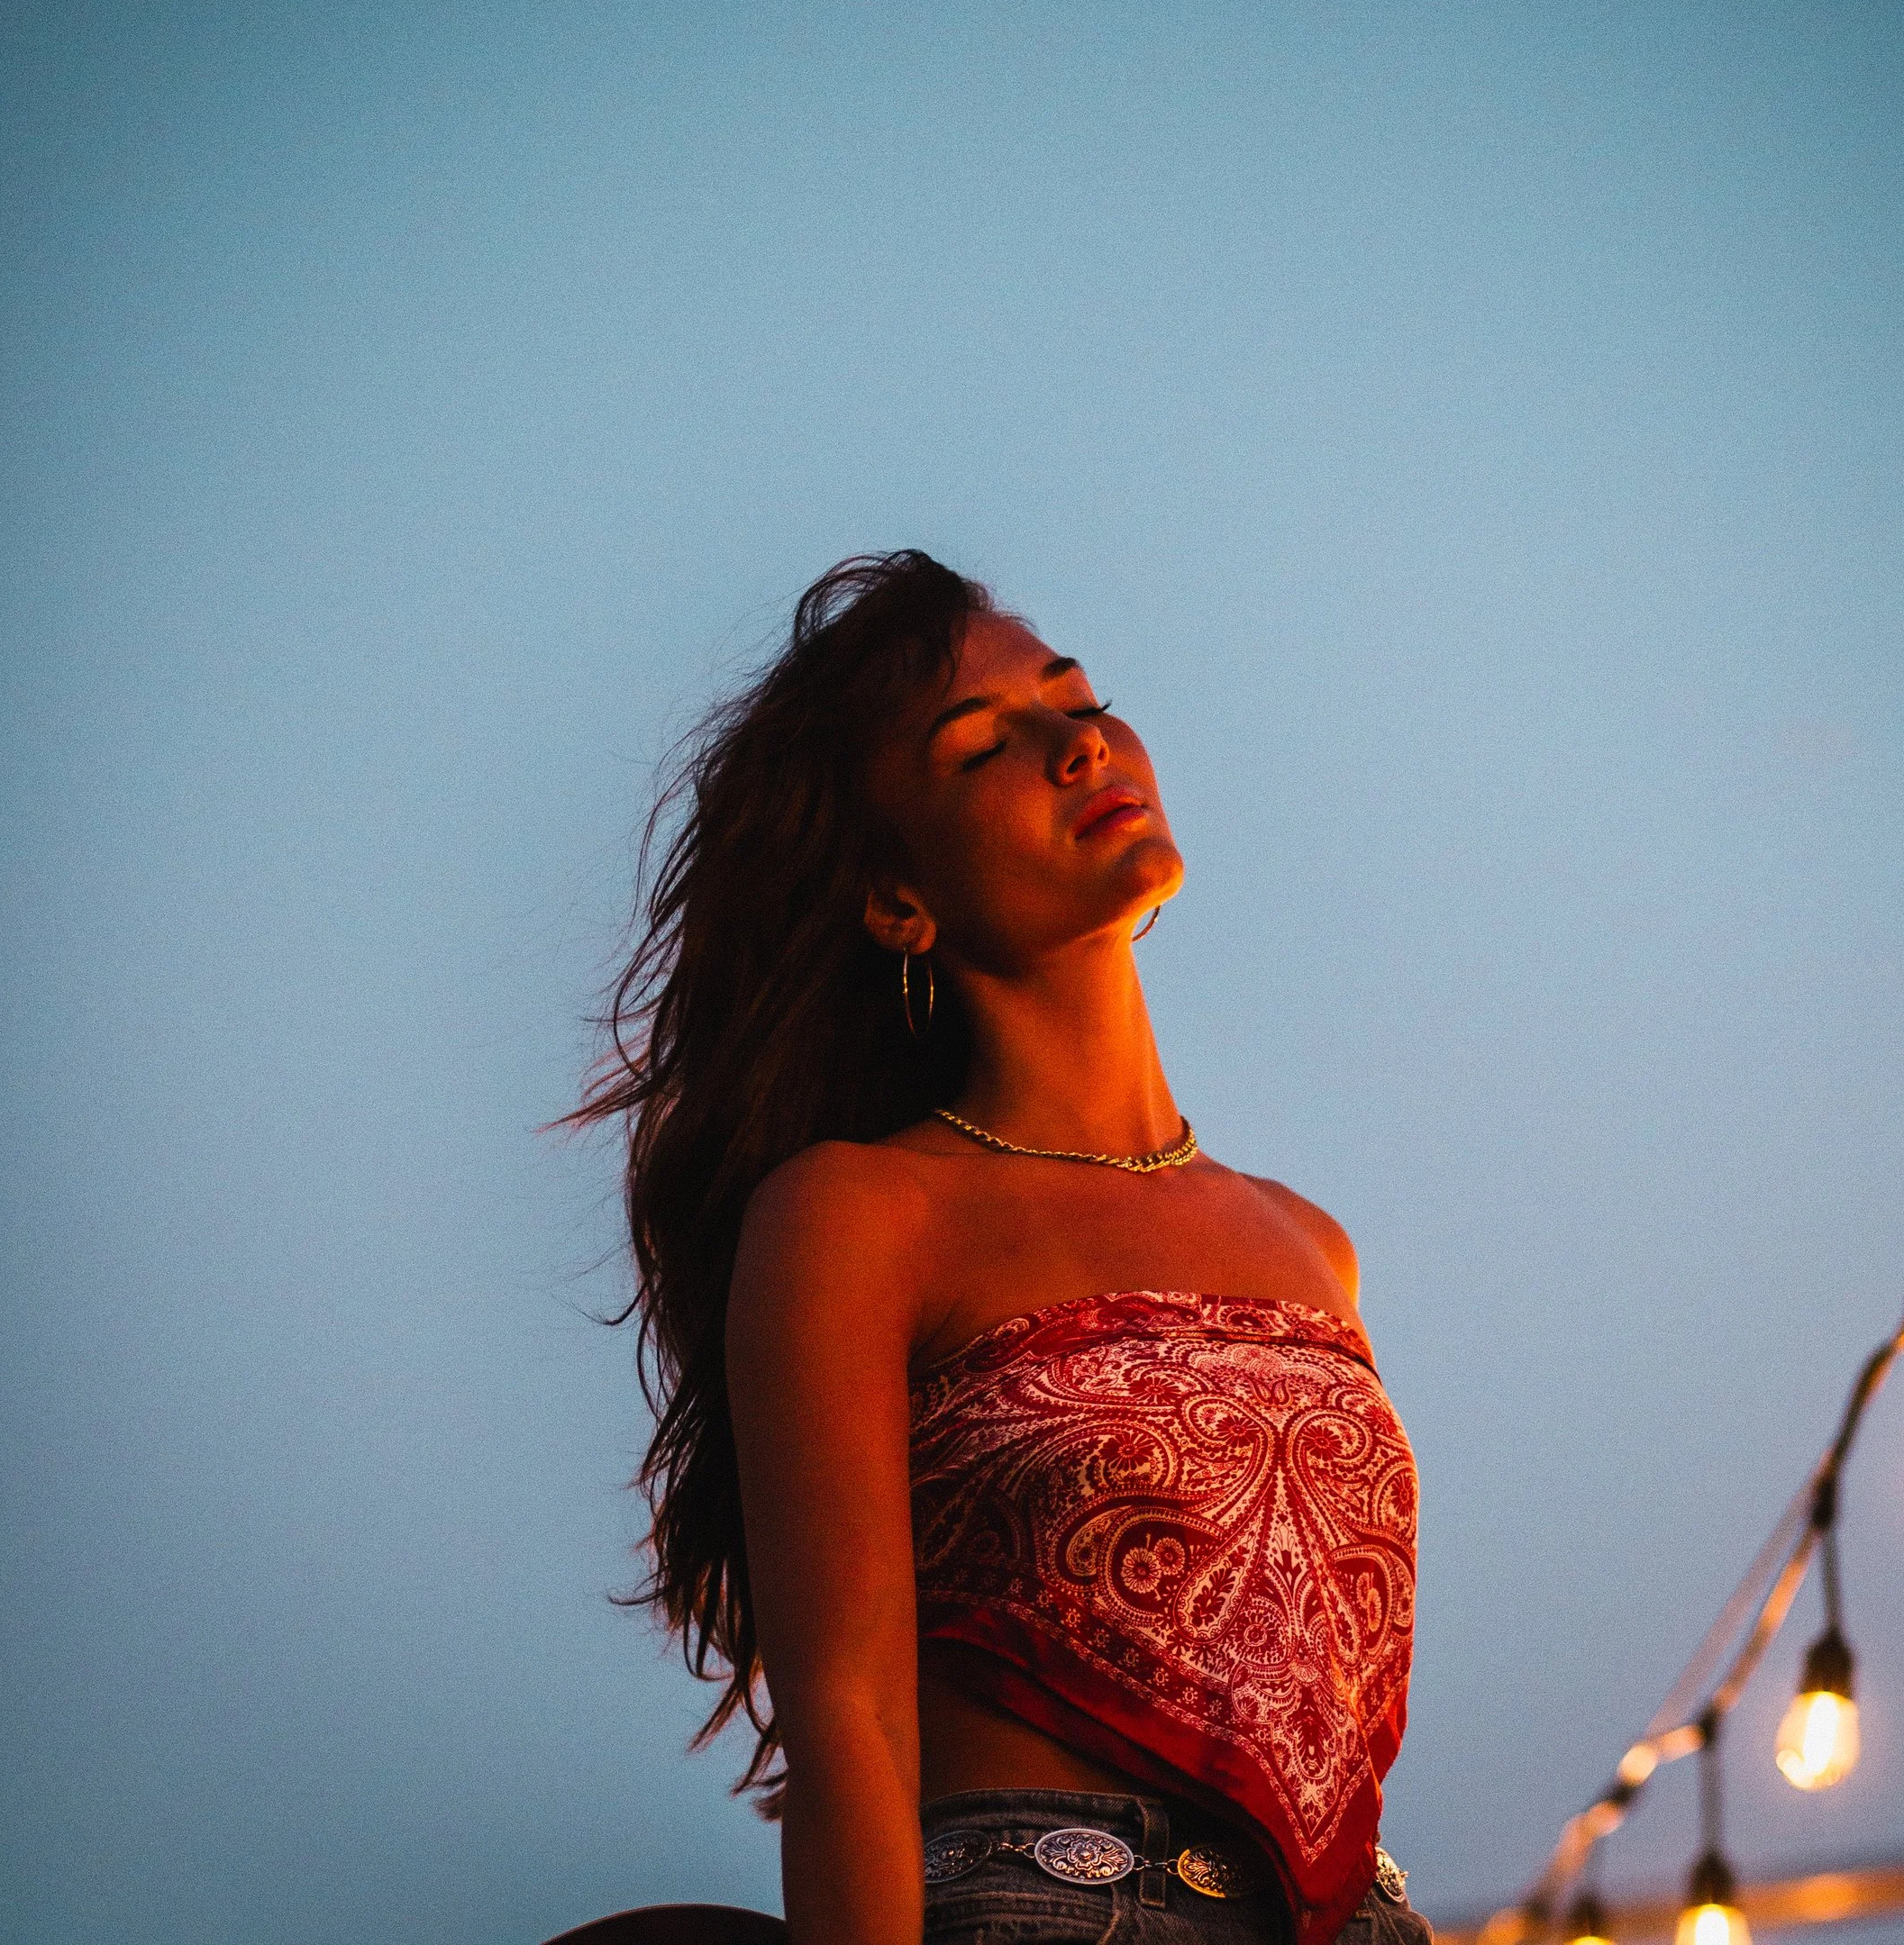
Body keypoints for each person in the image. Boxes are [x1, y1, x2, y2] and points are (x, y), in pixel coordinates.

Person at [573, 552, 1424, 1945]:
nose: (1076, 741)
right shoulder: (858, 1215)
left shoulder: (1307, 1245)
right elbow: (849, 1726)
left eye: (1077, 699)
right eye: (983, 752)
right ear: (898, 903)